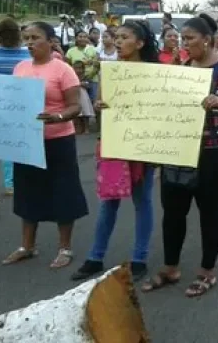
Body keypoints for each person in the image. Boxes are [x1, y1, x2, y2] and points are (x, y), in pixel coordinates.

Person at [142, 13, 218, 298]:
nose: (184, 43)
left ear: (207, 40)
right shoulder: (183, 67)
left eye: (189, 38)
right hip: (180, 148)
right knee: (173, 210)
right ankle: (171, 267)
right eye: (182, 38)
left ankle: (207, 271)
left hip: (215, 149)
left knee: (209, 209)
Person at [71, 20, 160, 282]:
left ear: (140, 43)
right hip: (114, 142)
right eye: (116, 37)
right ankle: (95, 257)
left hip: (142, 145)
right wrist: (99, 104)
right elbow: (103, 102)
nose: (118, 42)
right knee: (108, 201)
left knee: (142, 201)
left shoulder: (156, 73)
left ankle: (139, 258)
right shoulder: (110, 71)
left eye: (124, 37)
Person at [2, 22, 88, 270]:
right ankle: (27, 246)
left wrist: (58, 117)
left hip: (59, 141)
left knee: (63, 191)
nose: (29, 42)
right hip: (28, 141)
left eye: (35, 37)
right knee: (27, 191)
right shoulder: (20, 67)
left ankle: (65, 247)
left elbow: (75, 106)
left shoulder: (63, 70)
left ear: (51, 42)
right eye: (26, 38)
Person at [0, 18, 31, 196]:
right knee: (11, 147)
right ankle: (11, 184)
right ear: (20, 35)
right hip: (17, 107)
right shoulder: (28, 56)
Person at [65, 30, 100, 103]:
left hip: (93, 79)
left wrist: (89, 76)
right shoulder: (70, 51)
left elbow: (98, 64)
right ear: (76, 38)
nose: (82, 39)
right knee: (80, 102)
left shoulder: (93, 49)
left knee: (94, 102)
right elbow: (67, 67)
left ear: (88, 39)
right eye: (80, 37)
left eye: (85, 37)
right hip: (77, 81)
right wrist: (78, 79)